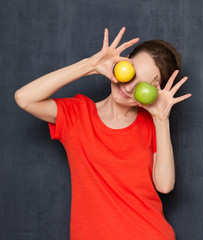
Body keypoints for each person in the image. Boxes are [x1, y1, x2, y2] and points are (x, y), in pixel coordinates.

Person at [14, 27, 191, 240]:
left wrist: (162, 120)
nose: (129, 86)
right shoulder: (77, 115)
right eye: (131, 72)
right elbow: (24, 98)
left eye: (143, 84)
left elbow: (164, 185)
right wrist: (91, 65)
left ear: (154, 93)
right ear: (123, 63)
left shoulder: (152, 123)